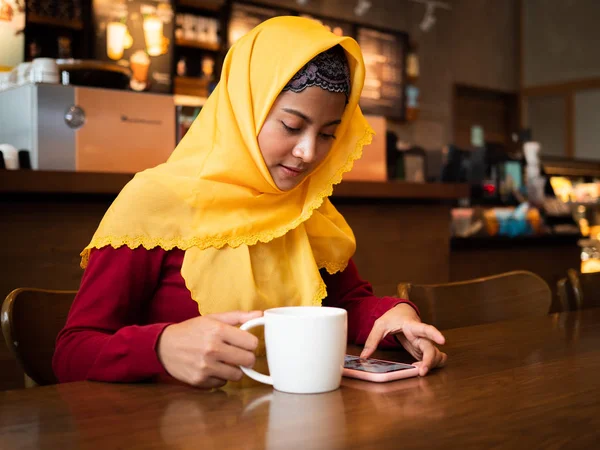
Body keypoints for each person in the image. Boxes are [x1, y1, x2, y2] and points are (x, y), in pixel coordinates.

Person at [53, 16, 447, 389]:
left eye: (328, 134)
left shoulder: (306, 205)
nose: (308, 152)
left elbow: (346, 305)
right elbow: (71, 352)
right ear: (243, 110)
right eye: (291, 127)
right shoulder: (156, 204)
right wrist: (160, 347)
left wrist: (394, 317)